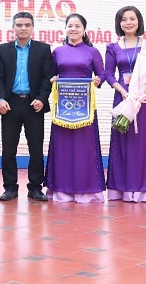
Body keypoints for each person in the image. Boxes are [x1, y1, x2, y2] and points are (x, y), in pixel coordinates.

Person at [105, 6, 146, 203]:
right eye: (124, 19)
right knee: (124, 141)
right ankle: (123, 189)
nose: (128, 22)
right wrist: (124, 92)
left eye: (132, 18)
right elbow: (108, 74)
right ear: (119, 23)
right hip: (123, 98)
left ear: (139, 21)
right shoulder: (113, 47)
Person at [45, 13, 106, 203]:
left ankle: (86, 191)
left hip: (85, 108)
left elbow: (102, 74)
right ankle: (61, 190)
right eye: (70, 26)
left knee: (85, 148)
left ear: (84, 30)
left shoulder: (92, 52)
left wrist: (98, 80)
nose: (73, 29)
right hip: (62, 108)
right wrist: (52, 79)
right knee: (62, 148)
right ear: (65, 28)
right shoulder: (57, 52)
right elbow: (50, 75)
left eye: (77, 26)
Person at [0, 12, 53, 202]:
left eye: (27, 25)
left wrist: (42, 98)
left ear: (33, 28)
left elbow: (47, 77)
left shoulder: (43, 49)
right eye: (19, 25)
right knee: (8, 148)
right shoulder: (2, 50)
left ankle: (35, 187)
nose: (23, 28)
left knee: (35, 148)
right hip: (9, 104)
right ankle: (10, 187)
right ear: (13, 27)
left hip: (34, 104)